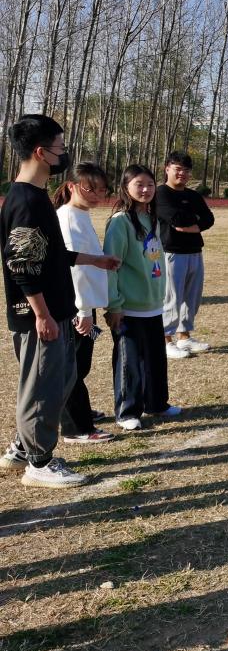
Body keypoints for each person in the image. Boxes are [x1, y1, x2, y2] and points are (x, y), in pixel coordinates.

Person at [1, 116, 121, 487]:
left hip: (58, 310)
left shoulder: (37, 197)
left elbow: (50, 253)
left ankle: (23, 447)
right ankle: (38, 462)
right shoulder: (25, 200)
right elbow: (22, 264)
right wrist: (41, 314)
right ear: (41, 152)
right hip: (42, 314)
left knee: (63, 378)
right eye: (60, 147)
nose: (64, 154)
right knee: (42, 387)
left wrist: (92, 260)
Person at [104, 165, 184, 432]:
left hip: (153, 304)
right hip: (129, 306)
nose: (146, 190)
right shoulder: (120, 222)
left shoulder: (153, 219)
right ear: (125, 187)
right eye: (139, 184)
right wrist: (114, 305)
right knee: (130, 362)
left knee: (155, 360)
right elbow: (111, 266)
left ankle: (157, 403)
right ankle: (127, 411)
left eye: (150, 184)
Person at [54, 163, 116, 444]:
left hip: (85, 305)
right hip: (76, 307)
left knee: (81, 364)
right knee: (73, 368)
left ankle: (77, 411)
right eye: (90, 189)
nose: (96, 195)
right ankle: (76, 427)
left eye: (101, 190)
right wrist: (82, 311)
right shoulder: (67, 217)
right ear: (71, 186)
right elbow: (73, 269)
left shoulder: (79, 214)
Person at [154, 151, 215, 359]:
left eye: (186, 170)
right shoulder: (161, 194)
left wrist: (193, 224)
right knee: (171, 297)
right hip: (171, 252)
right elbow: (176, 219)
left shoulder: (193, 195)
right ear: (167, 169)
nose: (182, 174)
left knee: (191, 298)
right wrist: (195, 219)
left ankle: (184, 336)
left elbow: (209, 219)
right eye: (178, 169)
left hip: (194, 251)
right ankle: (165, 340)